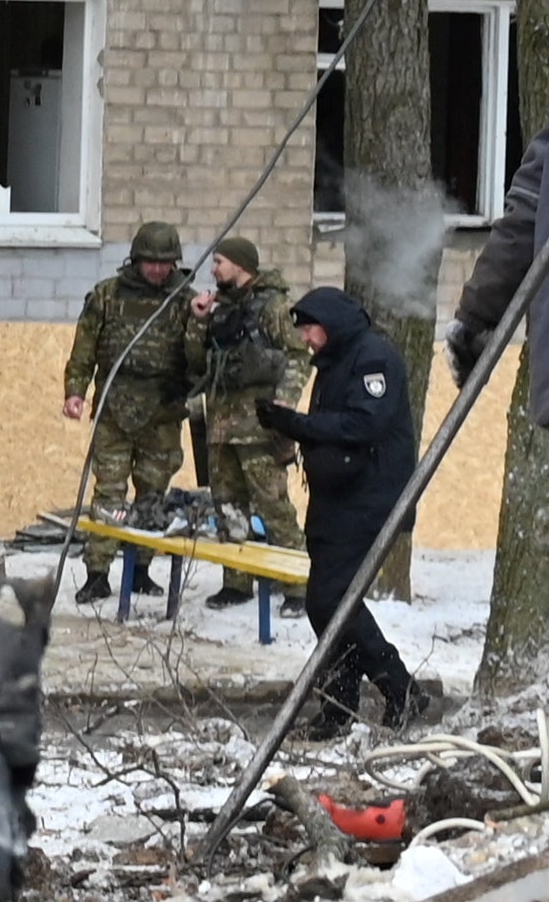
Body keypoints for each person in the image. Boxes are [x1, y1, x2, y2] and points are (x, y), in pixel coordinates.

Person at [275, 283, 429, 731]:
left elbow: (364, 423)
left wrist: (299, 424)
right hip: (335, 499)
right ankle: (339, 705)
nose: (305, 339)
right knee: (323, 606)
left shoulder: (372, 358)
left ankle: (400, 689)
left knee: (334, 600)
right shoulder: (336, 361)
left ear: (330, 324)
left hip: (367, 501)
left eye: (310, 330)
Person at [58, 219, 202, 606]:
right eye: (150, 262)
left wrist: (203, 322)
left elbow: (199, 359)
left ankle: (140, 571)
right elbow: (84, 349)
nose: (158, 269)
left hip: (163, 411)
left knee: (152, 495)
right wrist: (75, 391)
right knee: (109, 495)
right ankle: (98, 573)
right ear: (136, 260)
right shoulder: (107, 295)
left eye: (165, 263)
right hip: (114, 408)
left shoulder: (188, 301)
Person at [189, 234, 295, 528]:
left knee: (276, 515)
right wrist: (198, 323)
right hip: (221, 434)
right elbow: (198, 363)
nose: (213, 270)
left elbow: (298, 354)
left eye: (219, 262)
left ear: (239, 265)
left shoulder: (274, 307)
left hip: (258, 433)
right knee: (230, 520)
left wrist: (285, 399)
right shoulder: (220, 309)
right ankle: (234, 577)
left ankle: (291, 575)